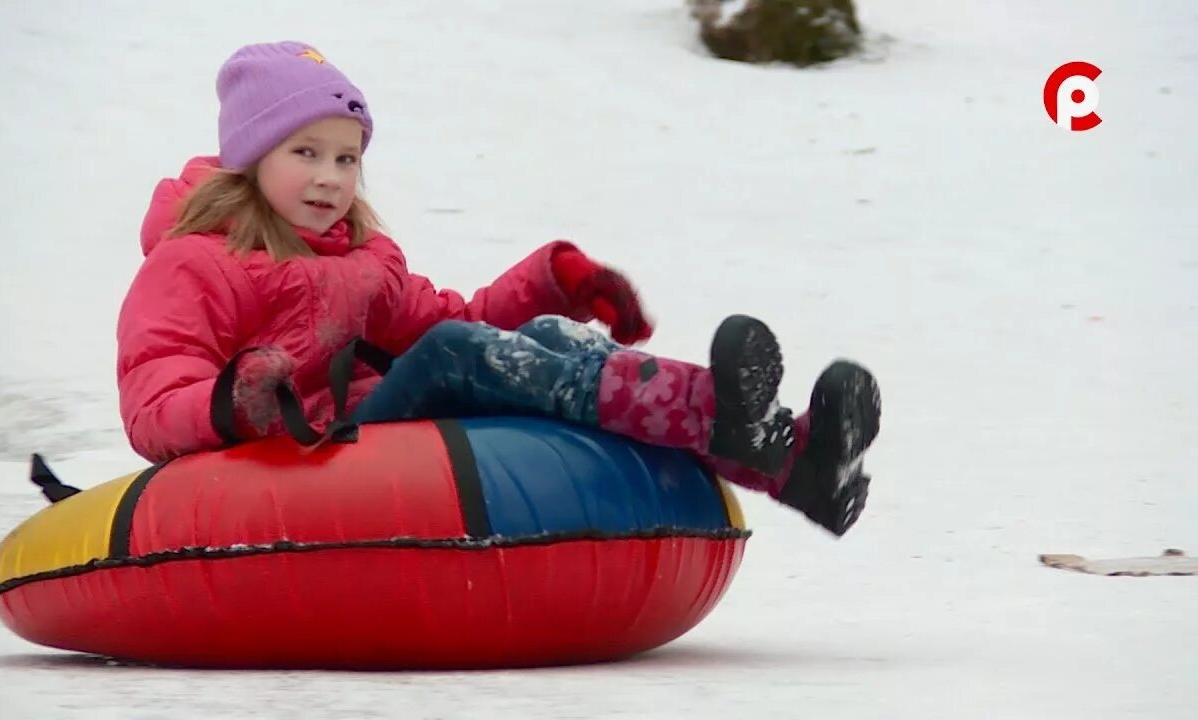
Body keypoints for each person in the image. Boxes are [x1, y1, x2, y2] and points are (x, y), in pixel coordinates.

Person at [116, 41, 881, 536]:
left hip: (371, 430)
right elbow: (152, 400)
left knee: (539, 343)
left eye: (348, 159)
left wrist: (556, 284)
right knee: (457, 354)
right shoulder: (196, 263)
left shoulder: (362, 257)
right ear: (249, 158)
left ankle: (793, 459)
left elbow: (461, 321)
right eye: (305, 152)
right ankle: (732, 422)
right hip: (305, 451)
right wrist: (230, 401)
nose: (329, 178)